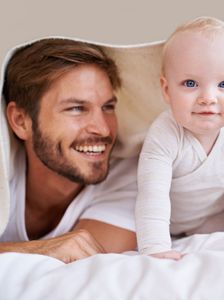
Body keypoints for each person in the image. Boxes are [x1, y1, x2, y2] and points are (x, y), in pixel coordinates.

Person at [135, 17, 224, 260]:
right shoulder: (164, 134)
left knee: (221, 254)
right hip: (164, 218)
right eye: (190, 83)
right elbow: (153, 194)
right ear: (167, 90)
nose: (208, 97)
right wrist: (155, 247)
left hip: (212, 217)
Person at [0, 39, 138, 263]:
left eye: (108, 107)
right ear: (20, 121)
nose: (103, 128)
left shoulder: (129, 180)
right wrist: (39, 250)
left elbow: (82, 267)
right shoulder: (4, 173)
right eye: (76, 108)